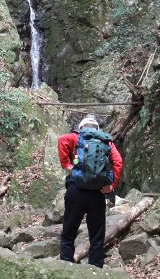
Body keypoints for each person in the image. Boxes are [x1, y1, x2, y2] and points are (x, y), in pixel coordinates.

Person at [57, 114, 123, 268]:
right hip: (98, 192)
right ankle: (96, 270)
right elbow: (118, 161)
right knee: (97, 236)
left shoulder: (76, 137)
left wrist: (67, 165)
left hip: (76, 189)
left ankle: (66, 269)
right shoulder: (106, 141)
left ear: (81, 127)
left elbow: (61, 140)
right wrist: (111, 185)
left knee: (68, 233)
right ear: (97, 129)